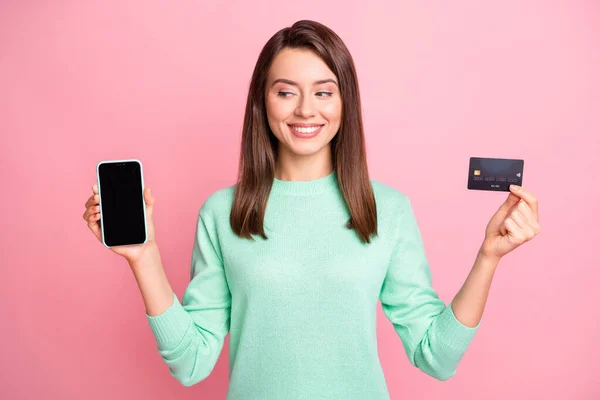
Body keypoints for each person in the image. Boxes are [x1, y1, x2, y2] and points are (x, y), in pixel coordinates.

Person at [82, 19, 541, 400]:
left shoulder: (389, 209)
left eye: (324, 92)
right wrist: (144, 258)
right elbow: (190, 363)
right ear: (263, 102)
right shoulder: (223, 212)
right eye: (286, 92)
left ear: (345, 102)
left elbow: (436, 357)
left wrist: (488, 257)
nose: (306, 110)